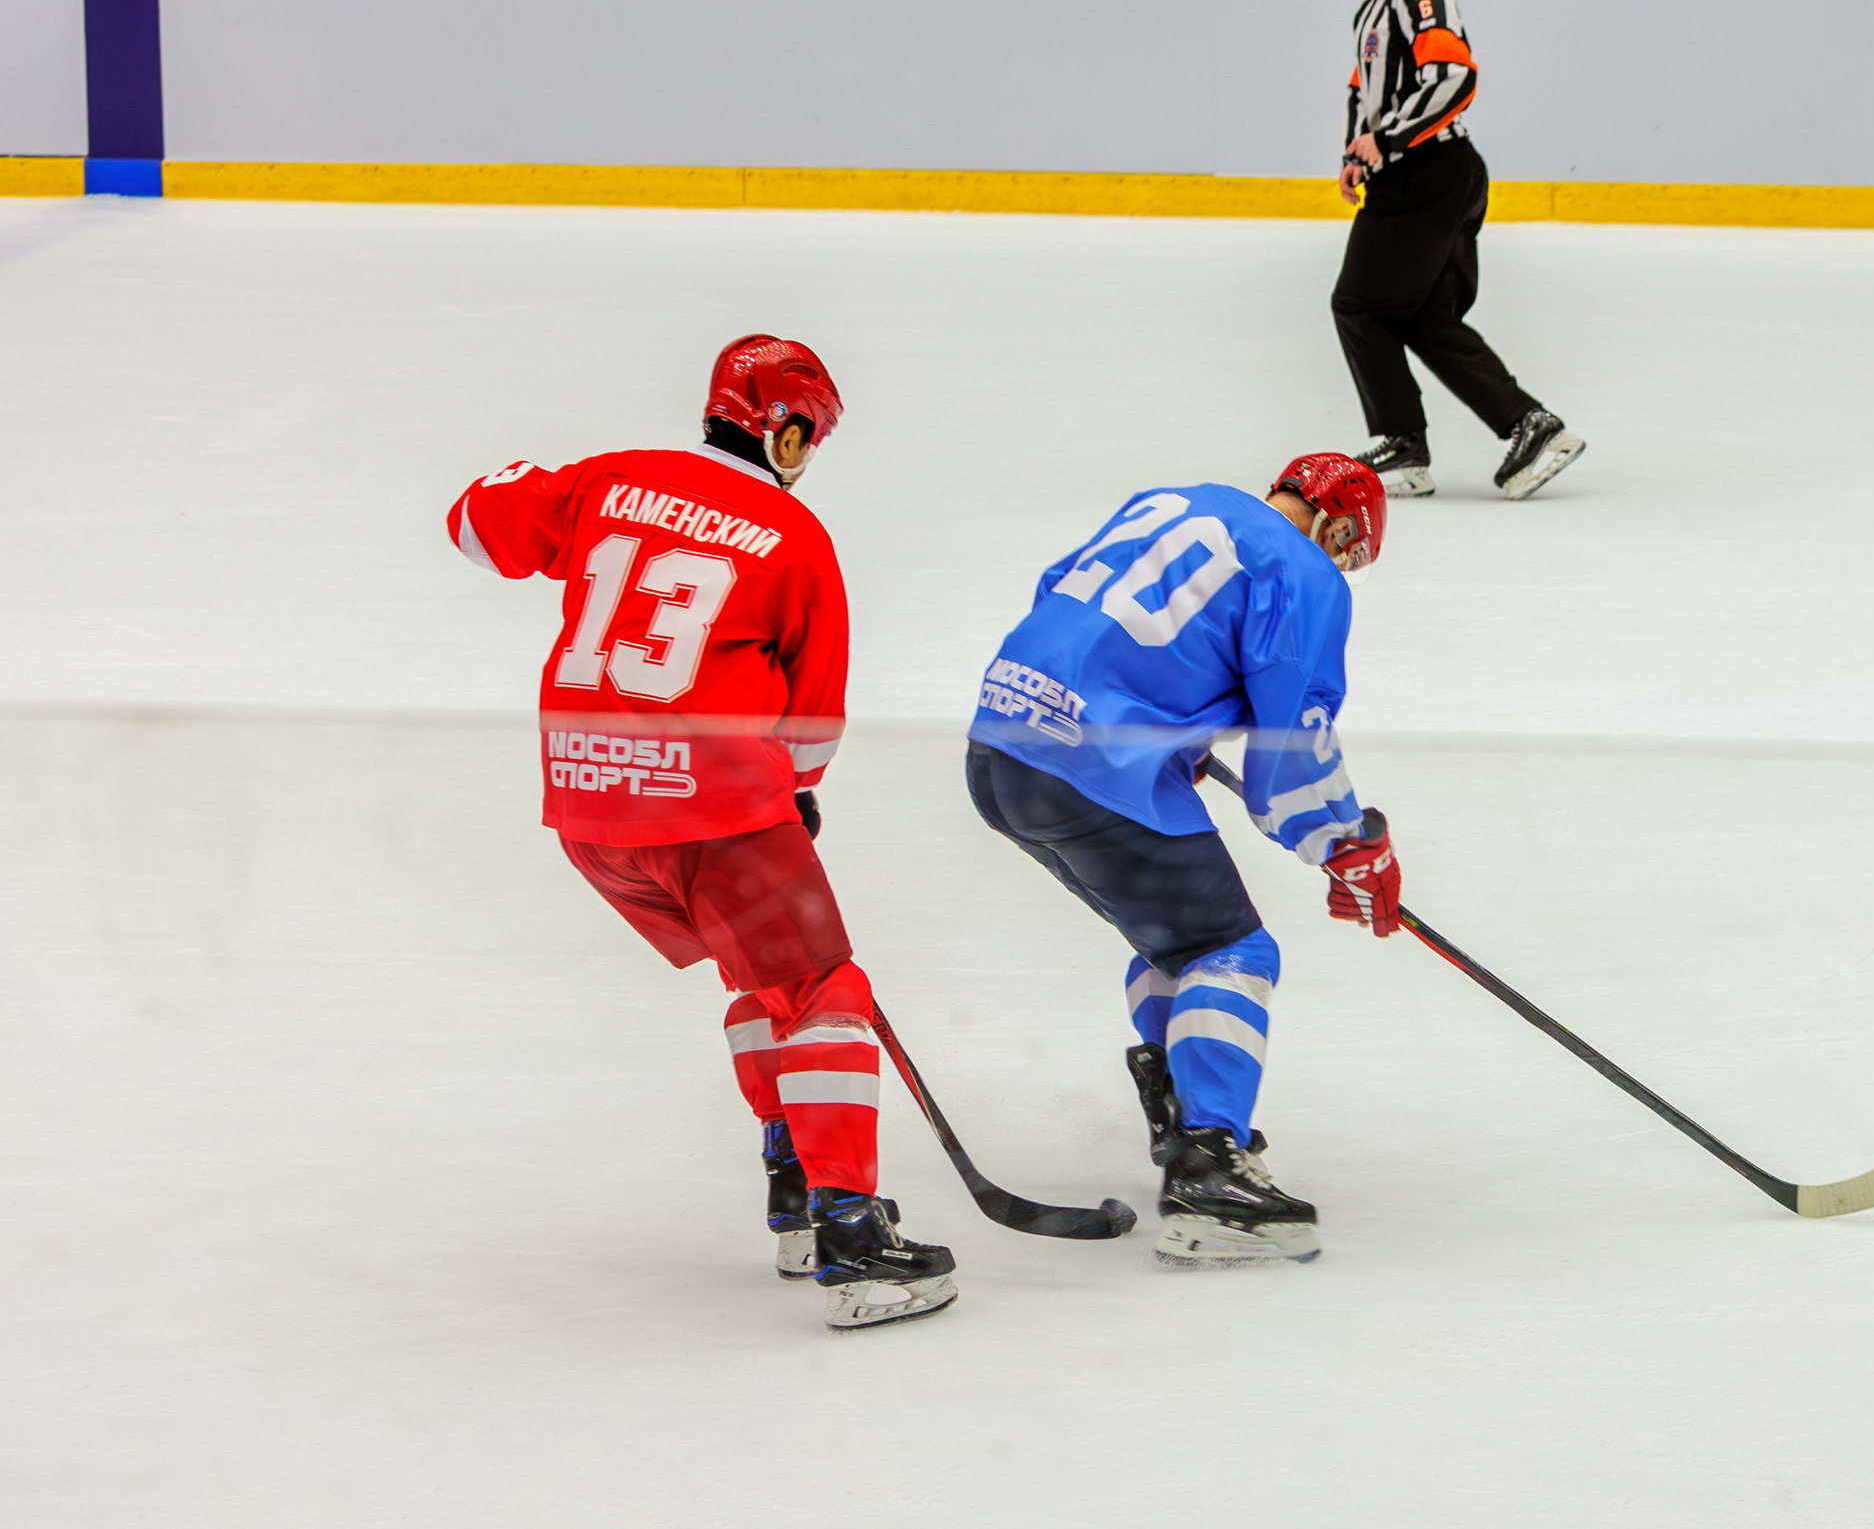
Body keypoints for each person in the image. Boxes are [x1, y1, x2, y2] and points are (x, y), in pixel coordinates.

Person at [443, 336, 957, 1334]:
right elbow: (812, 725)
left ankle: (796, 1186)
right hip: (710, 807)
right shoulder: (793, 532)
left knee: (760, 981)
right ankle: (851, 1232)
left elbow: (471, 523)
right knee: (820, 986)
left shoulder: (613, 479)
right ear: (788, 428)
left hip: (588, 806)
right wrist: (792, 792)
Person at [965, 454, 1401, 1268]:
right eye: (1347, 552)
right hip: (1089, 768)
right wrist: (1349, 844)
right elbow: (1289, 754)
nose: (1340, 566)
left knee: (1176, 942)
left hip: (999, 746)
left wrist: (1175, 723)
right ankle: (1208, 1166)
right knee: (1228, 951)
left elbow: (1062, 601)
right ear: (1338, 527)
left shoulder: (1169, 500)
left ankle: (1182, 1116)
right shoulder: (1306, 571)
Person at [1333, 0, 1586, 502]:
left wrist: (1386, 142)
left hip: (1429, 174)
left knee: (1360, 305)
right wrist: (1356, 150)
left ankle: (1401, 442)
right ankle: (1530, 425)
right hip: (1426, 172)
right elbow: (1364, 86)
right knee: (1420, 315)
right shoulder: (1376, 1)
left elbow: (1453, 79)